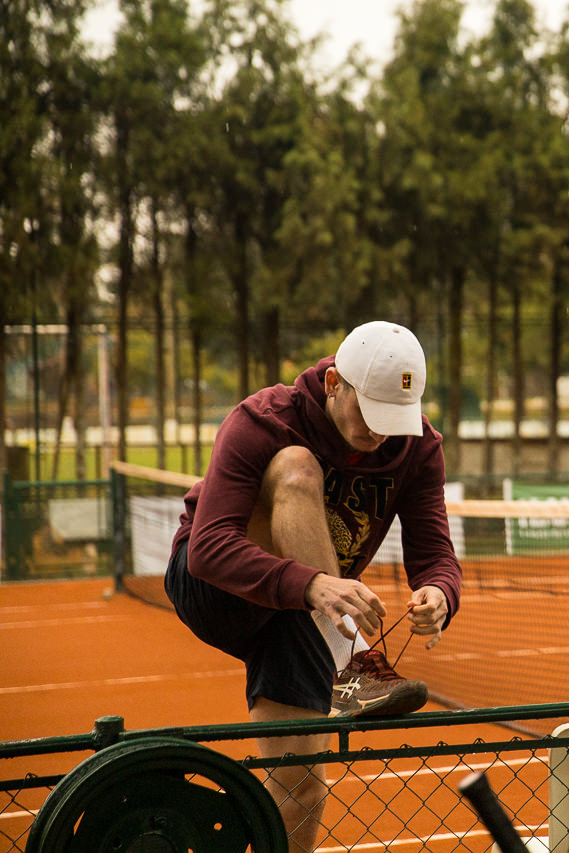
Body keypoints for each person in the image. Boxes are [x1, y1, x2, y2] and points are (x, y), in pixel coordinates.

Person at [165, 320, 462, 851]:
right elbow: (209, 548)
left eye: (393, 419)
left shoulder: (417, 448)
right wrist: (313, 583)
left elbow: (435, 554)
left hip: (302, 611)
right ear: (333, 385)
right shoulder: (263, 420)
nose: (380, 434)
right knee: (296, 464)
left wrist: (440, 592)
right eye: (369, 413)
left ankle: (347, 661)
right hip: (214, 589)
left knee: (301, 786)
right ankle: (352, 662)